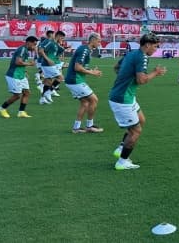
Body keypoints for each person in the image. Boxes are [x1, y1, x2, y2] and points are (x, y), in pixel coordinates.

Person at [109, 33, 167, 170]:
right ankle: (122, 162)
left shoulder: (132, 53)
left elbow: (116, 68)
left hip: (126, 96)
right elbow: (141, 80)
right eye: (155, 46)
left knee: (141, 120)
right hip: (123, 99)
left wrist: (126, 77)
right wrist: (155, 73)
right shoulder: (142, 56)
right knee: (136, 131)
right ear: (147, 45)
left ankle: (121, 148)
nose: (156, 49)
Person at [65, 33, 104, 133]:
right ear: (93, 40)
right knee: (94, 100)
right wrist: (92, 72)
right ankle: (89, 126)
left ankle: (76, 128)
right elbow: (77, 67)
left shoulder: (86, 49)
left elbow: (81, 66)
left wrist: (91, 70)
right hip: (75, 80)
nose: (99, 43)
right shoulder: (84, 49)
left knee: (85, 102)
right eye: (99, 41)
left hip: (74, 80)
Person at [0, 36, 39, 119]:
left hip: (21, 75)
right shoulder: (22, 49)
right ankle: (2, 108)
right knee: (17, 95)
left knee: (27, 93)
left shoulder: (25, 50)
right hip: (13, 75)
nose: (34, 47)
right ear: (28, 42)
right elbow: (18, 62)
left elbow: (21, 63)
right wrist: (29, 64)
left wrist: (24, 71)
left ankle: (21, 112)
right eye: (34, 45)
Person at [37, 30, 66, 104]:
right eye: (62, 38)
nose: (62, 40)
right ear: (58, 36)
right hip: (47, 64)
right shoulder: (49, 41)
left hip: (50, 65)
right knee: (60, 78)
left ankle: (42, 98)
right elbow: (40, 50)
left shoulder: (55, 44)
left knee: (48, 81)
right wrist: (48, 59)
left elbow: (59, 52)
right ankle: (49, 92)